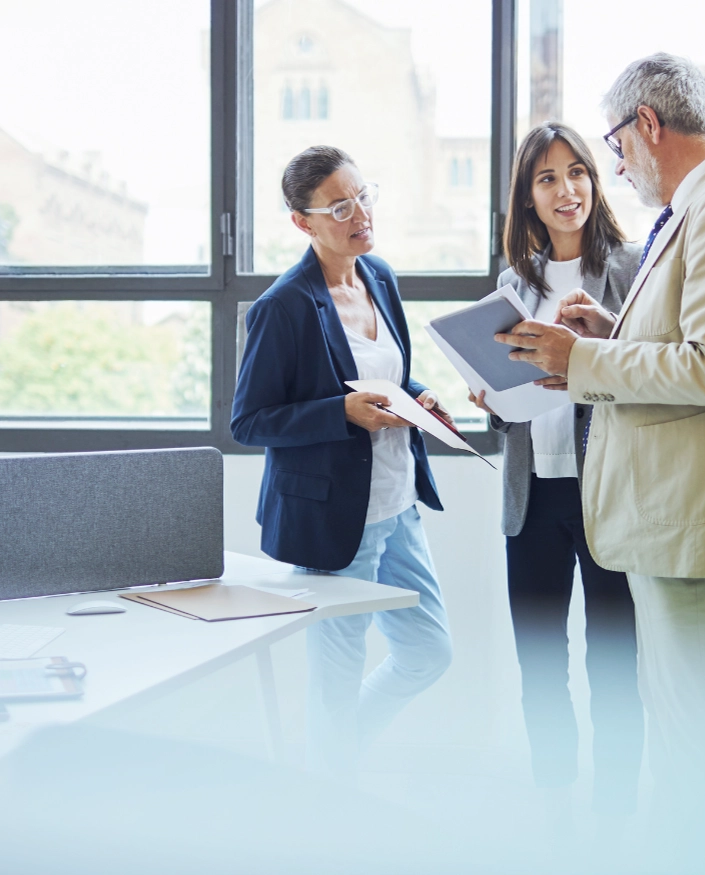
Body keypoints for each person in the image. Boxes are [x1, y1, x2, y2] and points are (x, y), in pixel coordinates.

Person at [496, 53, 705, 867]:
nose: (615, 169)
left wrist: (582, 362)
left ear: (648, 124)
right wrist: (608, 339)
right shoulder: (697, 210)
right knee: (682, 735)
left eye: (614, 147)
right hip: (671, 518)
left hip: (697, 517)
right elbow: (687, 347)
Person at [231, 146, 453, 779]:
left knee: (428, 652)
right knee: (335, 681)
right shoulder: (285, 306)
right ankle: (328, 800)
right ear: (303, 222)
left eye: (363, 196)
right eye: (340, 206)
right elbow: (248, 421)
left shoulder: (378, 275)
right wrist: (341, 413)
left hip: (399, 503)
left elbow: (390, 376)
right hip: (335, 523)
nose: (360, 214)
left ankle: (336, 755)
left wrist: (419, 397)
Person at [467, 122, 643, 830]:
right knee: (540, 657)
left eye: (577, 172)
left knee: (615, 660)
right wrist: (490, 398)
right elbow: (512, 390)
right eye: (546, 179)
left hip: (608, 492)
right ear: (528, 198)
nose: (565, 189)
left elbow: (648, 372)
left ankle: (616, 805)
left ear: (595, 184)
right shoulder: (513, 285)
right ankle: (553, 798)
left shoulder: (631, 269)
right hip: (531, 493)